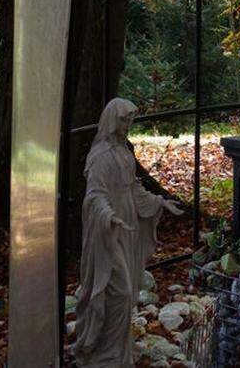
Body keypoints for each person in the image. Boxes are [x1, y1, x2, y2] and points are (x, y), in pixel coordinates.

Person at [73, 98, 184, 367]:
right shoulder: (100, 157)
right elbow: (94, 195)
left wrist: (159, 202)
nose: (127, 125)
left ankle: (118, 350)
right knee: (118, 290)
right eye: (123, 120)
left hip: (127, 223)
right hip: (107, 230)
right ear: (112, 120)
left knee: (127, 292)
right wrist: (108, 216)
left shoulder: (123, 151)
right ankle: (102, 353)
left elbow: (133, 188)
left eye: (130, 120)